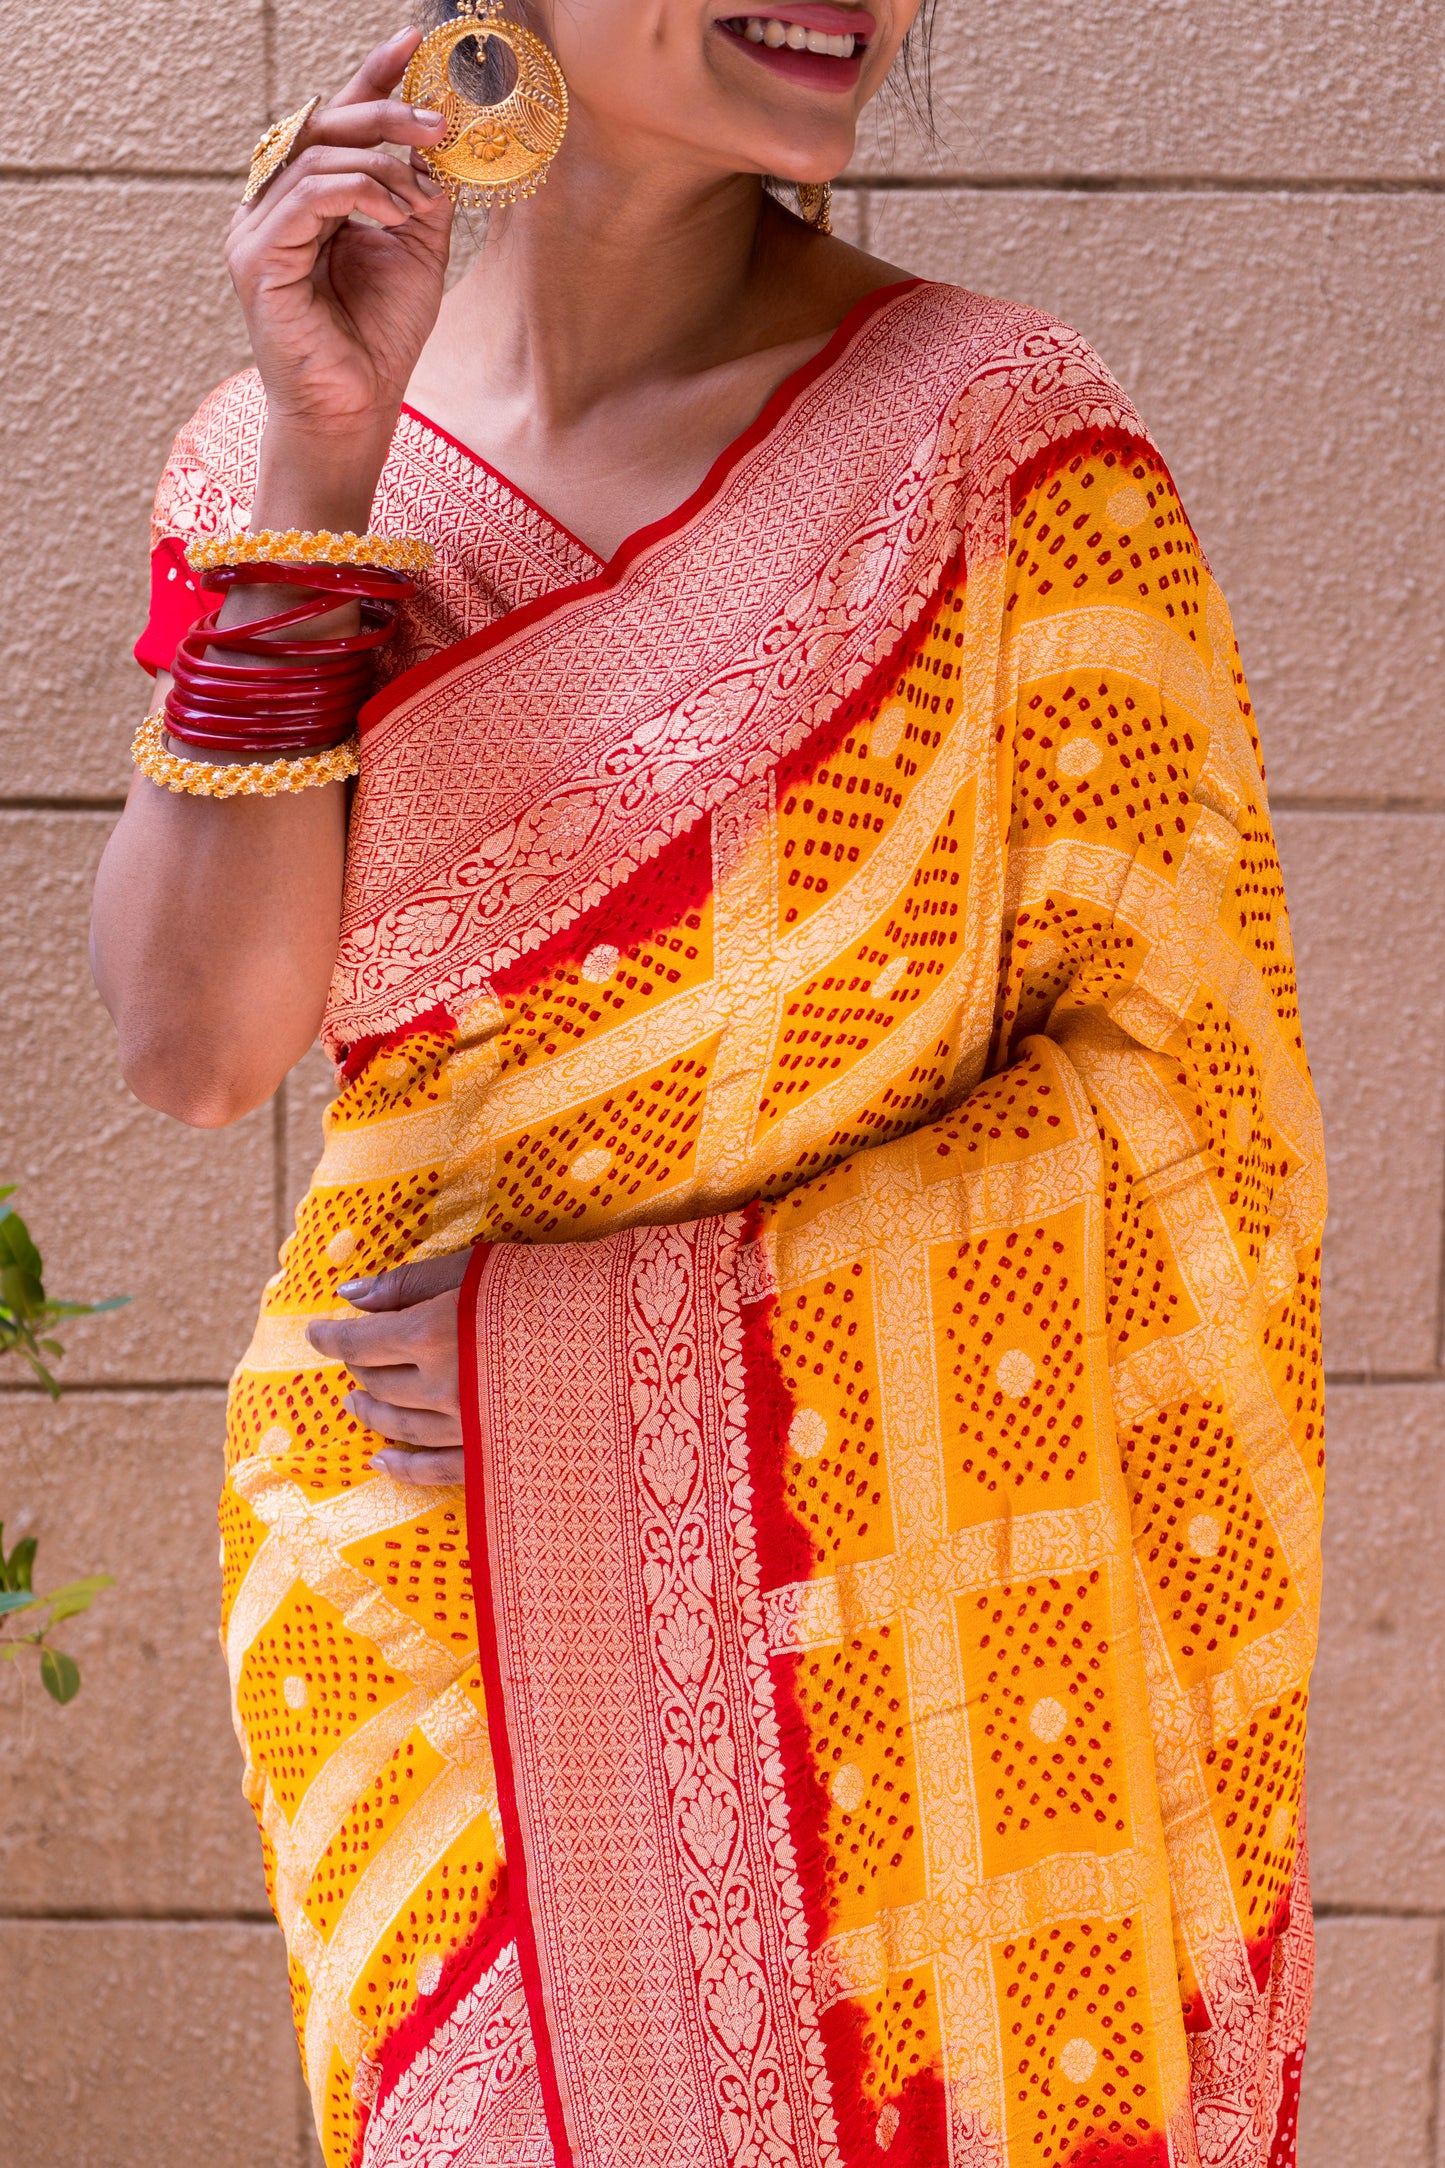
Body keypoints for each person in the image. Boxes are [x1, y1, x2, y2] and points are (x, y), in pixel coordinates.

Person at [90, 5, 1323, 2163]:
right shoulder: (276, 456)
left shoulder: (1000, 449)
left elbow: (1195, 1128)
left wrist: (620, 1356)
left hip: (902, 1671)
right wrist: (317, 464)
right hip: (426, 1620)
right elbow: (199, 1049)